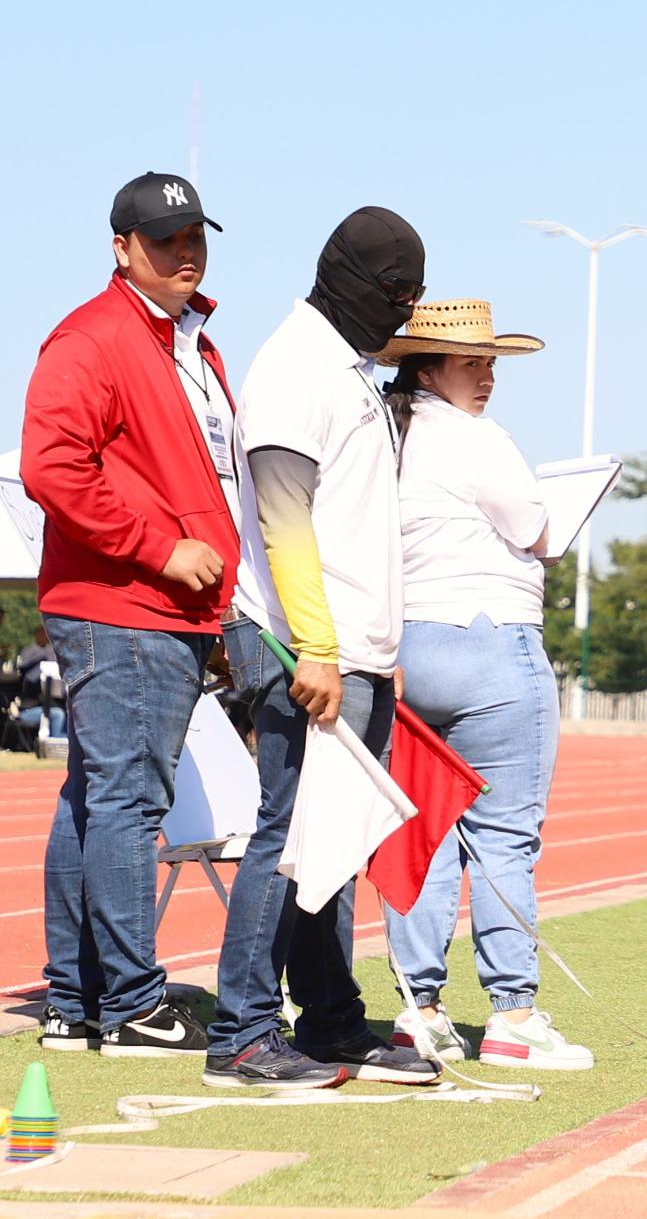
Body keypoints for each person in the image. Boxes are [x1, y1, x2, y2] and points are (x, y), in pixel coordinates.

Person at [205, 207, 439, 1091]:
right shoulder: (298, 367)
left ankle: (332, 1022)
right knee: (290, 836)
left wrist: (376, 648)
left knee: (332, 847)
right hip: (305, 650)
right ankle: (240, 1036)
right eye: (391, 293)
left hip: (354, 653)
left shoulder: (346, 370)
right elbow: (284, 518)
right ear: (344, 278)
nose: (401, 310)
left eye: (412, 296)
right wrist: (319, 649)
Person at [21, 172, 239, 1055]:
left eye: (194, 236)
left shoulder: (185, 340)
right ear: (122, 248)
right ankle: (131, 1002)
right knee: (123, 804)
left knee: (94, 800)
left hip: (161, 609)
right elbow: (53, 467)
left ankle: (78, 1002)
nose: (184, 251)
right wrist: (159, 550)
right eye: (163, 239)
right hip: (125, 603)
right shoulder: (94, 338)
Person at [376, 301, 593, 1071]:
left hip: (409, 647)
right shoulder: (476, 437)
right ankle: (513, 1015)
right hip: (491, 640)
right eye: (475, 364)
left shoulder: (384, 434)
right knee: (504, 839)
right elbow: (536, 526)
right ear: (429, 366)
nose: (489, 377)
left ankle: (418, 1010)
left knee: (423, 837)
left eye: (491, 364)